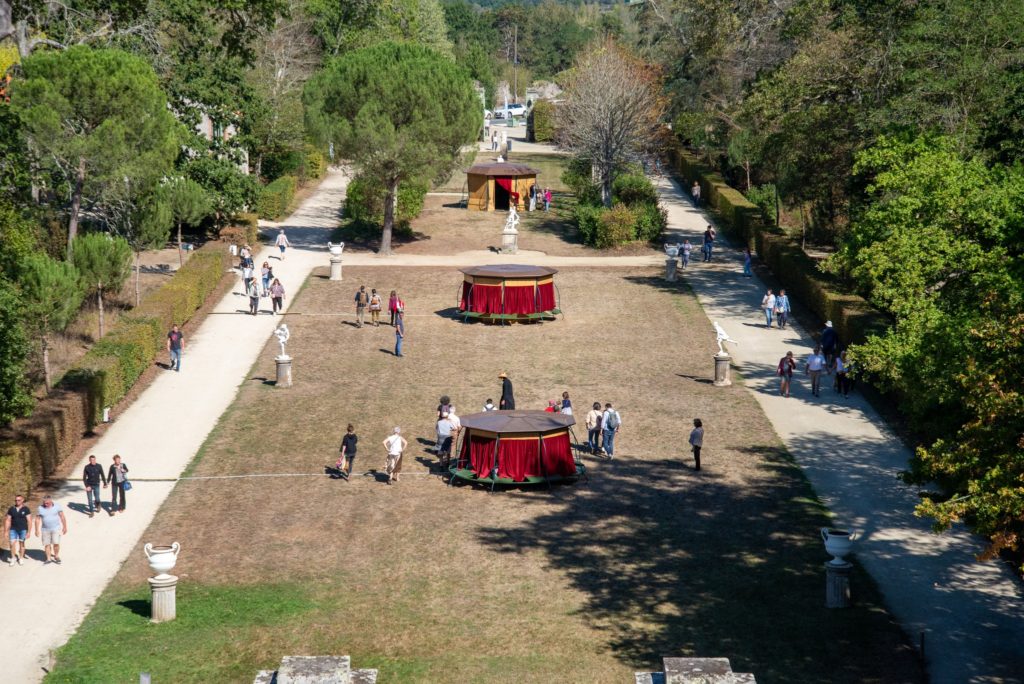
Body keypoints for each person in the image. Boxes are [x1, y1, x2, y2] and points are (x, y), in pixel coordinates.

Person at [35, 495, 67, 564]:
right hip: (45, 529)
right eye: (44, 503)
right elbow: (37, 519)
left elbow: (62, 516)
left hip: (56, 528)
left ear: (51, 501)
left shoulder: (57, 506)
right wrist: (36, 530)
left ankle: (56, 556)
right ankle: (48, 558)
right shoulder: (40, 508)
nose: (45, 504)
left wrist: (65, 527)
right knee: (47, 544)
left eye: (47, 503)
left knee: (56, 543)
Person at [4, 494, 32, 565]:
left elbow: (29, 521)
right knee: (12, 543)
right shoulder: (11, 509)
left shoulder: (26, 509)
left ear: (22, 500)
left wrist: (28, 532)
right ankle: (13, 558)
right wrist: (6, 531)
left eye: (19, 500)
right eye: (16, 500)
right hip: (13, 529)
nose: (17, 501)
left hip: (23, 529)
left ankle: (21, 558)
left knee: (21, 543)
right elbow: (8, 520)